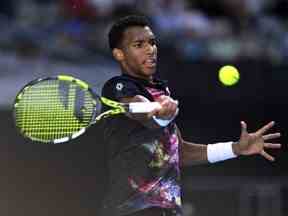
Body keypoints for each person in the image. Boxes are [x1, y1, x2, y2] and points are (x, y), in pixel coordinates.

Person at [99, 15, 281, 216]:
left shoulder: (162, 91)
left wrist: (235, 148)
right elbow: (141, 110)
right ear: (119, 54)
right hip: (130, 211)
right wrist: (160, 112)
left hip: (168, 211)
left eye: (152, 43)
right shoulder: (116, 88)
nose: (150, 49)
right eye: (138, 44)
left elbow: (180, 152)